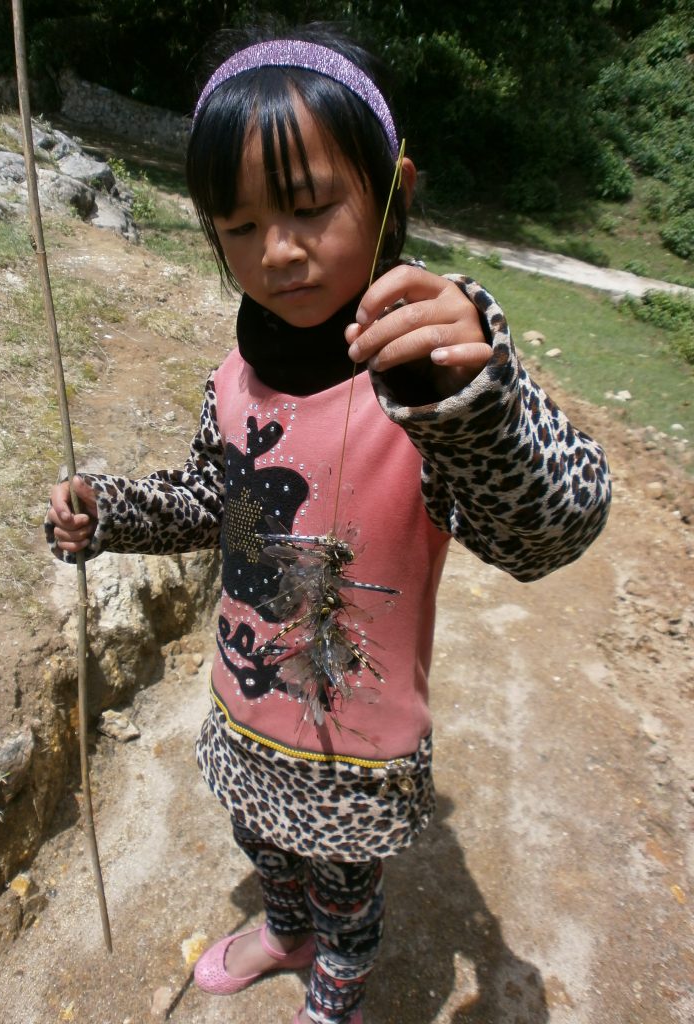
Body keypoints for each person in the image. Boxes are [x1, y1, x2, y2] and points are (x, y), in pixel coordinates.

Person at [46, 26, 611, 1024]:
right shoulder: (235, 376)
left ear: (394, 185)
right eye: (239, 224)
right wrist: (107, 514)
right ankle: (284, 925)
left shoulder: (434, 373)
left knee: (348, 886)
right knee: (262, 844)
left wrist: (478, 402)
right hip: (247, 704)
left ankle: (339, 970)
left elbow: (552, 530)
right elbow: (206, 503)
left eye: (311, 208)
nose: (279, 250)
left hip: (359, 744)